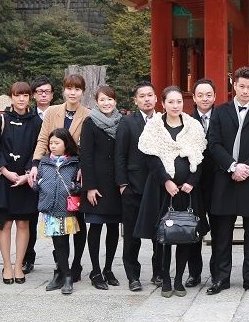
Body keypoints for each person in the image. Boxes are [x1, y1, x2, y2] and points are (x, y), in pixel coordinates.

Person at [135, 86, 207, 297]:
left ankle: (179, 280)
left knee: (184, 232)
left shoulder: (193, 126)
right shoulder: (154, 127)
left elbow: (199, 157)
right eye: (171, 102)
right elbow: (151, 157)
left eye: (179, 102)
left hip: (187, 191)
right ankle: (165, 277)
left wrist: (191, 182)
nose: (175, 105)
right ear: (163, 103)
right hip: (162, 189)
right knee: (163, 235)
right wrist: (166, 180)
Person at [206, 66, 249, 295]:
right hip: (225, 177)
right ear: (234, 86)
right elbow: (213, 143)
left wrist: (246, 168)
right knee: (222, 232)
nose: (245, 91)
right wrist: (232, 166)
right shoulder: (220, 112)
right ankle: (221, 277)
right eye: (241, 86)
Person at [31, 73, 91, 282]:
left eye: (77, 89)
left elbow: (88, 147)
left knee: (78, 219)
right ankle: (61, 266)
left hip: (75, 169)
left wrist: (84, 168)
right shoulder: (52, 112)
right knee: (57, 219)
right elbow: (42, 139)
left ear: (83, 92)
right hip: (53, 169)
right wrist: (35, 164)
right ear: (64, 90)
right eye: (69, 88)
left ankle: (76, 264)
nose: (72, 92)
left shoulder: (88, 115)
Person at [0, 82, 41, 285]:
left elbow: (40, 147)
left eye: (25, 95)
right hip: (3, 178)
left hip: (27, 178)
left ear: (30, 98)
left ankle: (19, 265)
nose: (21, 99)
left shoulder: (36, 121)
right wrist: (5, 170)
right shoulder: (0, 120)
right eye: (17, 95)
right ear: (11, 97)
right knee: (5, 223)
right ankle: (7, 265)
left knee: (24, 223)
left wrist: (27, 174)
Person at [114, 81, 161, 290]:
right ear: (135, 100)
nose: (146, 99)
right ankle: (133, 276)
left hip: (158, 186)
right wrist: (123, 184)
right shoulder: (127, 122)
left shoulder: (163, 120)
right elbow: (120, 155)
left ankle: (159, 272)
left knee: (159, 233)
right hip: (133, 186)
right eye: (142, 96)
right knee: (132, 235)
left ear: (156, 98)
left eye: (150, 95)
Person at [80, 85, 123, 290]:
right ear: (96, 102)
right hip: (96, 183)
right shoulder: (90, 123)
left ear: (115, 101)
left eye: (110, 99)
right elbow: (85, 156)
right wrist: (89, 186)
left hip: (115, 183)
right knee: (96, 226)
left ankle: (108, 268)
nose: (107, 103)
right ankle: (95, 270)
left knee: (114, 227)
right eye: (103, 100)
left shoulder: (121, 122)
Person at [34, 128, 81, 295]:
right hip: (49, 207)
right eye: (51, 143)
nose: (53, 146)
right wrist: (38, 184)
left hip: (66, 208)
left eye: (57, 143)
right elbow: (37, 181)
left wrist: (75, 187)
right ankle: (62, 273)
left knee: (63, 242)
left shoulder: (75, 163)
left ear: (66, 144)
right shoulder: (44, 162)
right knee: (57, 242)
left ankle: (65, 274)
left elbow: (80, 183)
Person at [20, 76, 55, 275]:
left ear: (52, 95)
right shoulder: (29, 116)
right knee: (30, 218)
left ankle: (60, 258)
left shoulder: (58, 114)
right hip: (32, 170)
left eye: (47, 91)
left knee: (58, 215)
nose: (43, 94)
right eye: (39, 91)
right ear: (34, 95)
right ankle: (28, 257)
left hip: (54, 170)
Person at [186, 78, 216, 287]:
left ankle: (217, 272)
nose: (205, 98)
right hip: (193, 183)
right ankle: (194, 272)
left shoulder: (222, 118)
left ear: (214, 97)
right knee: (194, 228)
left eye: (209, 95)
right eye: (200, 95)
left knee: (219, 229)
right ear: (194, 98)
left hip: (217, 182)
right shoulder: (186, 121)